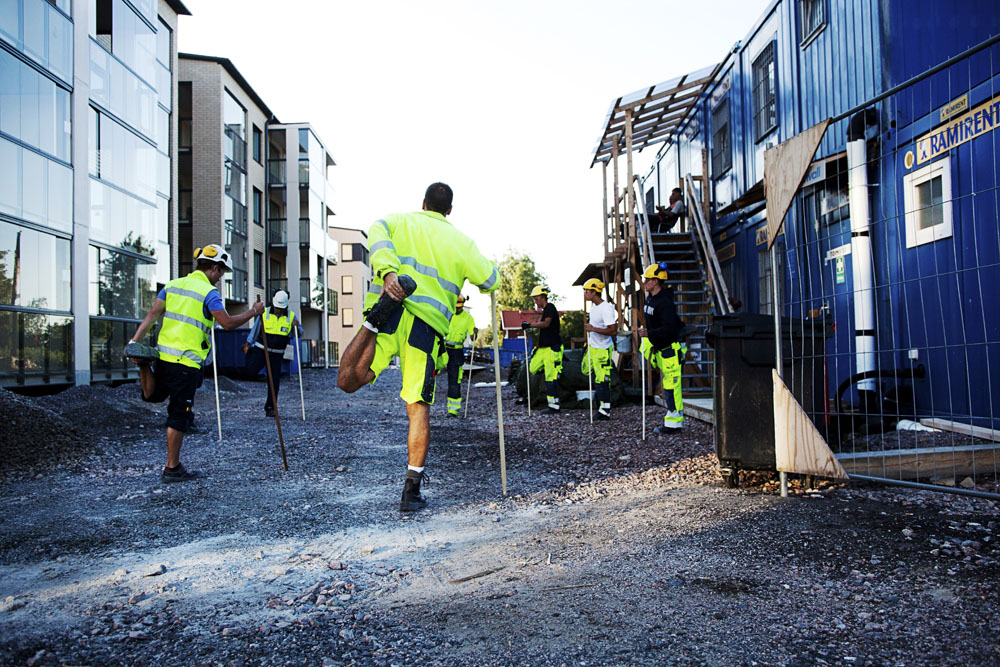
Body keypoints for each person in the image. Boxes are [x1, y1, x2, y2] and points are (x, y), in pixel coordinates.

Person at [336, 183, 499, 512]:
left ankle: (372, 321)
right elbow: (490, 280)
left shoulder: (398, 221)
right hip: (424, 330)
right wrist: (488, 271)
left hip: (393, 309)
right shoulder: (462, 241)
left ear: (422, 203)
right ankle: (411, 492)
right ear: (449, 211)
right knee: (417, 406)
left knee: (350, 380)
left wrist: (387, 271)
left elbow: (376, 230)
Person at [125, 244, 264, 482]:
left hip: (164, 356)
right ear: (213, 267)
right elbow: (228, 323)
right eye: (221, 272)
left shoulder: (172, 285)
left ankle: (143, 364)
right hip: (186, 363)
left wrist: (134, 341)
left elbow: (152, 314)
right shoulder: (209, 293)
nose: (220, 278)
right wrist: (253, 311)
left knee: (153, 395)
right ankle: (172, 468)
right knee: (179, 414)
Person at [637, 261, 686, 432]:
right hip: (662, 350)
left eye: (647, 279)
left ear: (656, 281)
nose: (644, 282)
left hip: (670, 350)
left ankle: (674, 423)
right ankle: (672, 420)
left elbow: (670, 328)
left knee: (673, 387)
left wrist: (649, 334)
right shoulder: (651, 299)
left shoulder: (664, 303)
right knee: (668, 386)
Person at [242, 290, 300, 417]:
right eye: (277, 308)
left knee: (274, 381)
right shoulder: (265, 313)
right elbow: (256, 329)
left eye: (281, 308)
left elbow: (298, 334)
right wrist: (248, 343)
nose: (278, 310)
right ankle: (254, 362)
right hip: (261, 349)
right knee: (250, 371)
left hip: (277, 354)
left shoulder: (291, 317)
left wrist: (296, 327)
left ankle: (270, 407)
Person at [522, 285, 563, 414]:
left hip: (552, 348)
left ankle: (554, 406)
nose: (535, 302)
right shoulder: (545, 310)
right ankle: (550, 370)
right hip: (543, 349)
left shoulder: (550, 307)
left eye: (536, 299)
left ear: (542, 297)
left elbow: (546, 324)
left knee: (550, 378)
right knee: (533, 367)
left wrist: (529, 325)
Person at [581, 278, 618, 421]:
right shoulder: (594, 307)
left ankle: (605, 410)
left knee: (602, 380)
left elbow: (613, 331)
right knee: (588, 373)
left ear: (594, 291)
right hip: (593, 348)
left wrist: (593, 329)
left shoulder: (606, 308)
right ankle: (602, 406)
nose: (585, 294)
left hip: (603, 349)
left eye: (587, 291)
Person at [443, 294, 477, 417]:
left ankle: (453, 410)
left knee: (454, 380)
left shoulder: (468, 318)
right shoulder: (448, 314)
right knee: (430, 374)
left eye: (459, 307)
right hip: (443, 348)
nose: (457, 309)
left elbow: (473, 337)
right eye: (455, 307)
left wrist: (474, 333)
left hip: (457, 351)